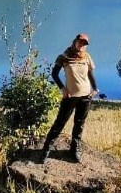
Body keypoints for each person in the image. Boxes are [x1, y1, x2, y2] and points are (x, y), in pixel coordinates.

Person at [39, 33, 98, 164]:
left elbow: (90, 74)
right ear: (75, 41)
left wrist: (95, 89)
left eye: (84, 44)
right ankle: (46, 149)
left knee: (79, 124)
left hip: (85, 96)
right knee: (60, 122)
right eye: (80, 42)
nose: (82, 45)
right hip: (70, 96)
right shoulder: (64, 57)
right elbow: (54, 74)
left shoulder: (87, 57)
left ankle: (74, 149)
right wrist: (63, 89)